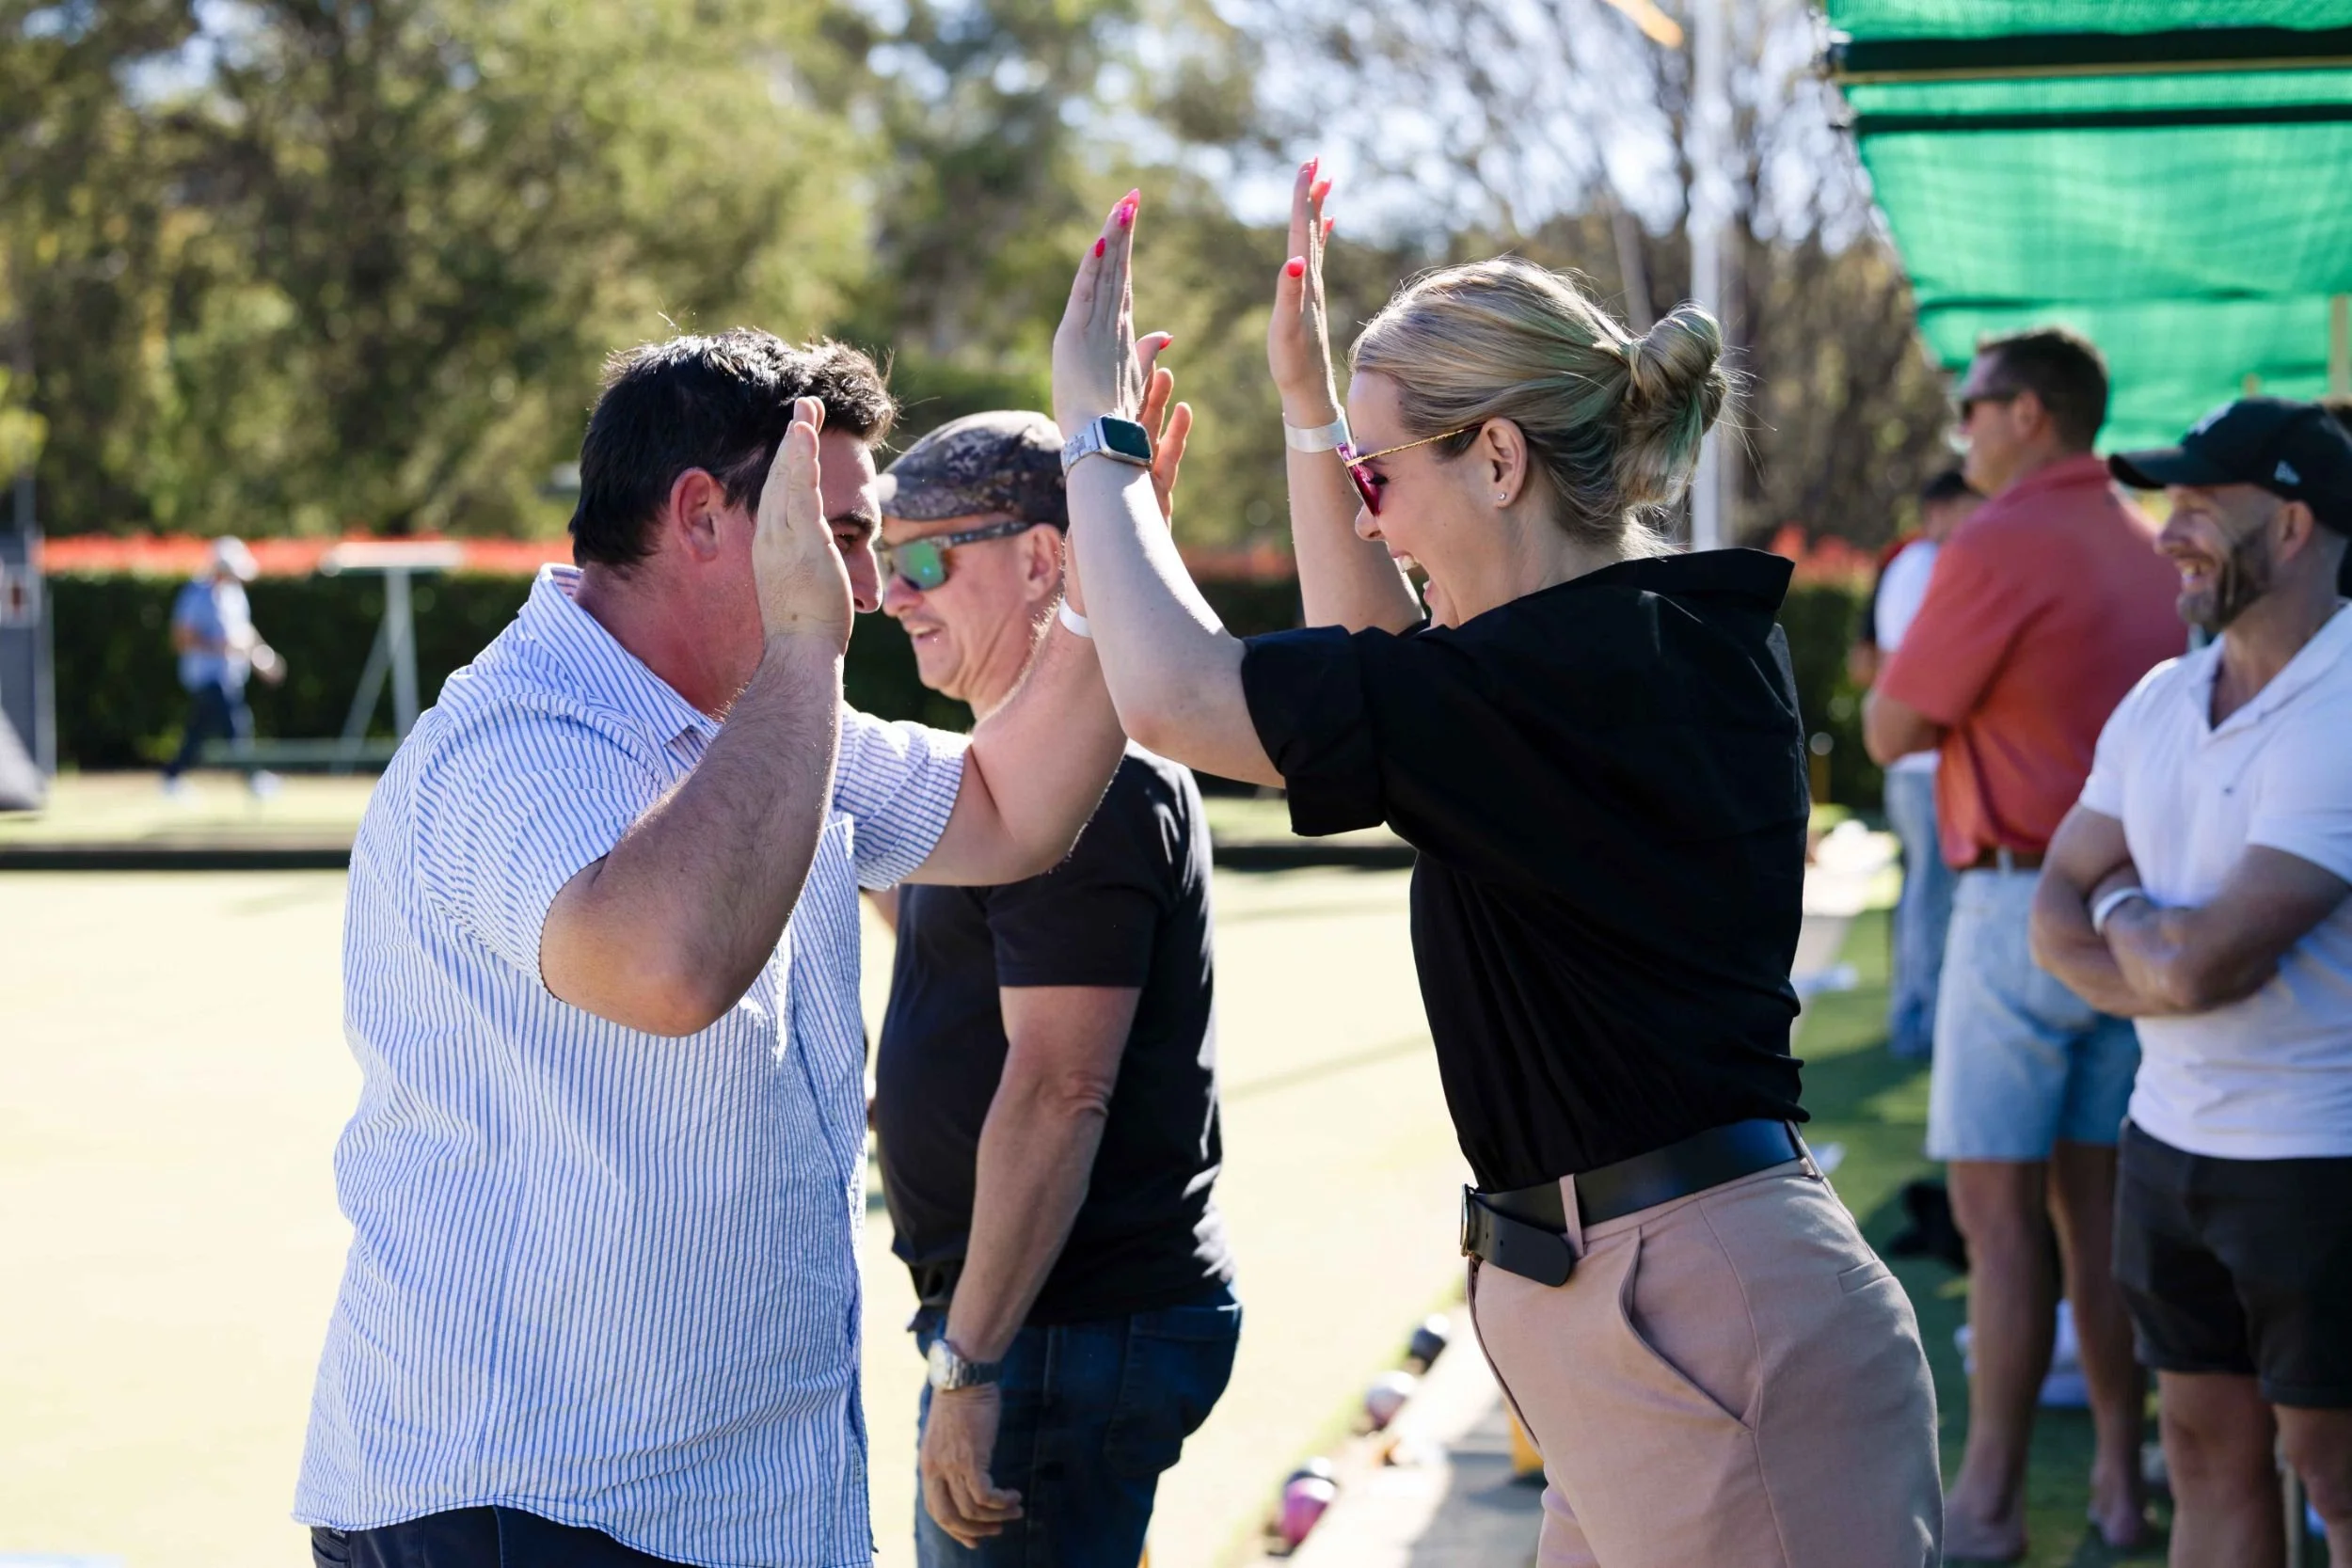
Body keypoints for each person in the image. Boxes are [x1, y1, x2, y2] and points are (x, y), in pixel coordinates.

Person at [1047, 175, 1941, 1567]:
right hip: (1636, 1310)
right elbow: (1380, 668)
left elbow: (1171, 692)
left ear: (1504, 459)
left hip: (1697, 1317)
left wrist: (1092, 429)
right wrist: (1313, 418)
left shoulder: (1569, 678)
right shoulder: (1613, 651)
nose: (1378, 522)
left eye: (1381, 480)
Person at [294, 333, 1129, 1568]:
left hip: (724, 1504)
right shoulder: (522, 733)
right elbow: (665, 967)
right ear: (698, 514)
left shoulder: (771, 713)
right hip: (518, 1505)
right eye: (839, 532)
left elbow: (1016, 810)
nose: (869, 582)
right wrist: (802, 645)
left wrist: (1112, 507)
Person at [868, 404, 1240, 1564]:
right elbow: (964, 937)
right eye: (884, 562)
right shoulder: (1010, 769)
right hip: (1047, 1326)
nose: (893, 594)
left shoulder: (1097, 783)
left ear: (1044, 559)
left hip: (1056, 1332)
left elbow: (1059, 1086)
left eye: (924, 557)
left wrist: (972, 1362)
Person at [1864, 326, 2184, 1558]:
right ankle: (2117, 1476)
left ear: (2032, 412)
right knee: (2097, 1213)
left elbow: (1892, 727)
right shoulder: (2153, 542)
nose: (1965, 426)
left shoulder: (1999, 540)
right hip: (2135, 909)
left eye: (1976, 403)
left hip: (2016, 906)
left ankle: (1989, 1498)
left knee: (2001, 1225)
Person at [2032, 397, 2352, 1568]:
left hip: (2320, 1162)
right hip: (2167, 1148)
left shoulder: (2344, 708)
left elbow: (2205, 959)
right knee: (2205, 1451)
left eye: (2200, 507)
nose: (2169, 532)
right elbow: (2054, 909)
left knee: (2333, 1469)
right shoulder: (2162, 696)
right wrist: (2141, 933)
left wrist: (2126, 919)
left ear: (2293, 525)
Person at [1858, 469, 1982, 1061]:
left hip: (1920, 764)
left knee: (1924, 895)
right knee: (1932, 898)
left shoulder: (1914, 564)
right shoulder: (1927, 566)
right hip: (1926, 764)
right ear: (1945, 509)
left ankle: (1919, 1018)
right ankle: (1922, 1024)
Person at [164, 535, 284, 795]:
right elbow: (181, 639)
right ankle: (252, 777)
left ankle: (172, 776)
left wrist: (261, 656)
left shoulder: (235, 594)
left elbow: (245, 631)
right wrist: (222, 647)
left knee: (197, 730)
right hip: (205, 675)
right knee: (236, 721)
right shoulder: (196, 595)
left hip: (230, 673)